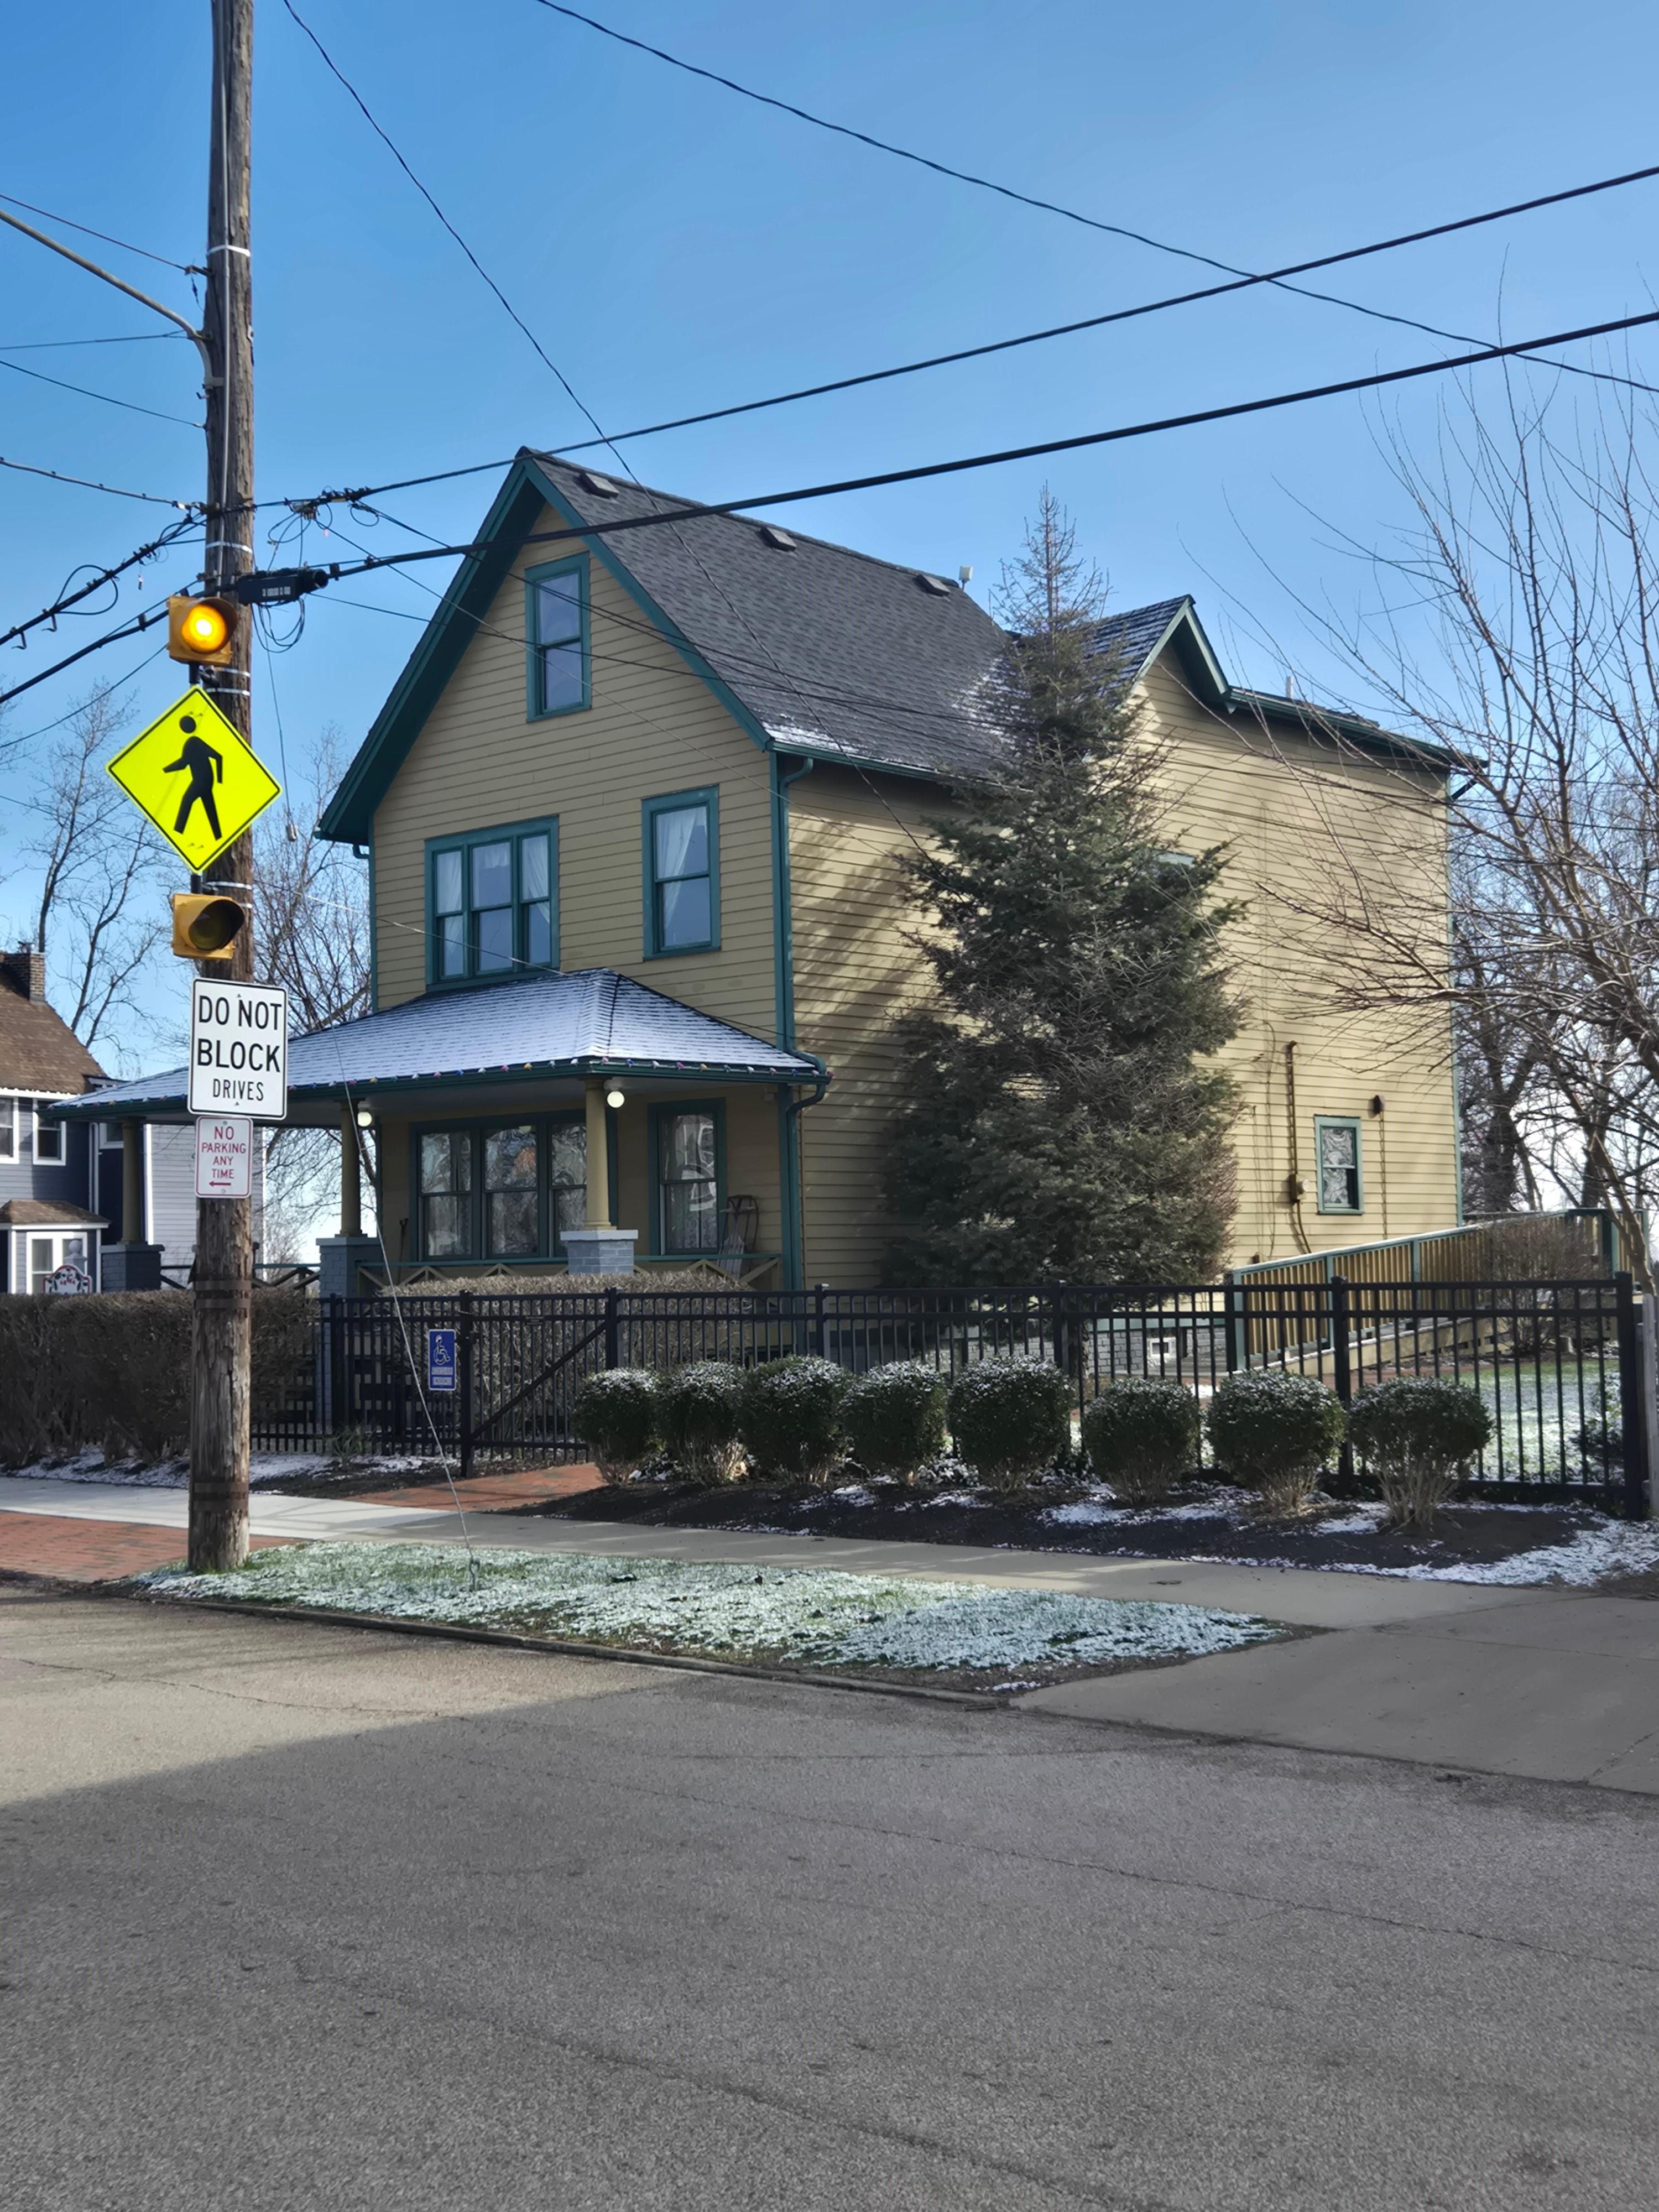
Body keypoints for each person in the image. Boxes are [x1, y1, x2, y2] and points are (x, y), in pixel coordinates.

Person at [162, 713, 223, 842]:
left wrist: (165, 770)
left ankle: (178, 831)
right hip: (207, 781)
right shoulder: (197, 742)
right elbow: (218, 757)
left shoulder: (192, 743)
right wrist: (218, 780)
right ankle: (218, 836)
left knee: (187, 800)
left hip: (200, 782)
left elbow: (183, 764)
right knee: (210, 809)